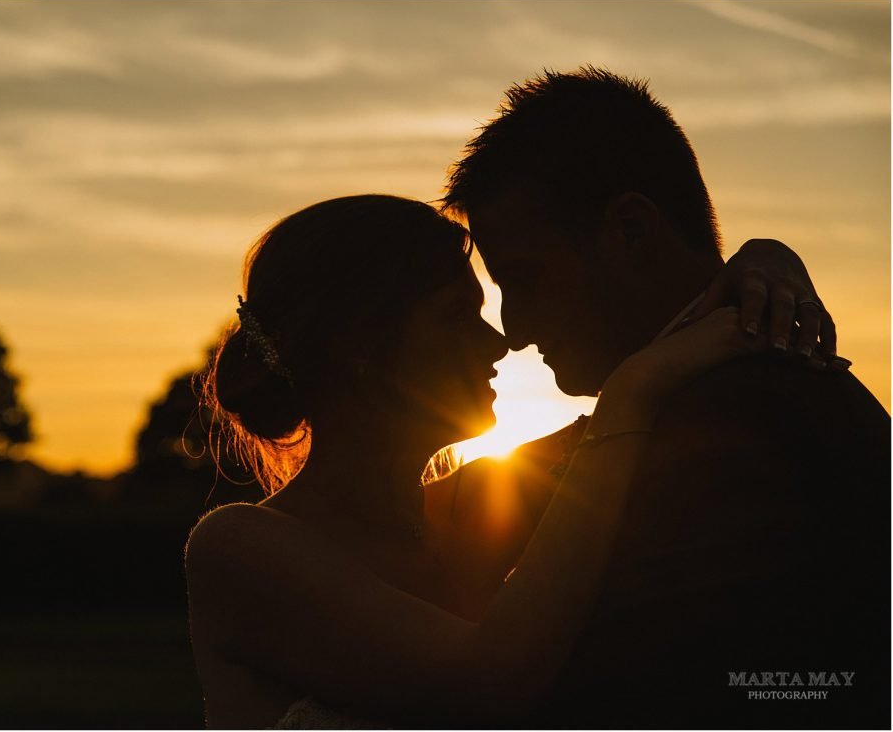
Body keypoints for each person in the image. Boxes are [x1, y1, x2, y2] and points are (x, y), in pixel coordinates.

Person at [184, 194, 838, 728]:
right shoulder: (240, 550)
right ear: (365, 351)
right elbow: (483, 681)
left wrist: (764, 262)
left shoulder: (481, 503)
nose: (498, 341)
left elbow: (647, 409)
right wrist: (635, 385)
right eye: (454, 319)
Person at [441, 66, 890, 727]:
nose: (512, 331)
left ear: (630, 230)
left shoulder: (732, 432)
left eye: (524, 280)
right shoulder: (663, 414)